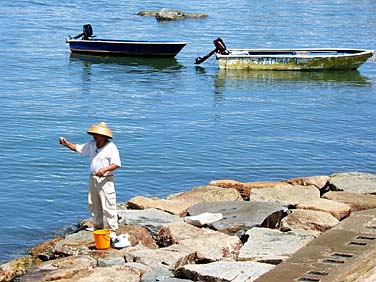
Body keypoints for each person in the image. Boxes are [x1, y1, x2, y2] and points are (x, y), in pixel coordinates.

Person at [59, 122, 121, 235]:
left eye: (97, 134)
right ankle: (98, 226)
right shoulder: (92, 144)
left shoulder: (111, 147)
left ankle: (113, 228)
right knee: (93, 202)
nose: (94, 136)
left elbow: (116, 164)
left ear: (103, 136)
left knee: (108, 203)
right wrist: (66, 143)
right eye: (94, 134)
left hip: (105, 179)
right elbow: (78, 148)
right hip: (93, 178)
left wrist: (104, 170)